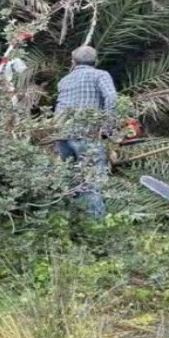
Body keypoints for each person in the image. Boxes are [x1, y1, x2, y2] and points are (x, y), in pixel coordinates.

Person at [54, 45, 117, 219]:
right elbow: (111, 97)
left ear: (73, 61)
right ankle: (95, 225)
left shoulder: (64, 80)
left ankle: (71, 221)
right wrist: (108, 128)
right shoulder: (100, 75)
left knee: (70, 180)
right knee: (91, 181)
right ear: (96, 61)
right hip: (86, 134)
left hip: (62, 134)